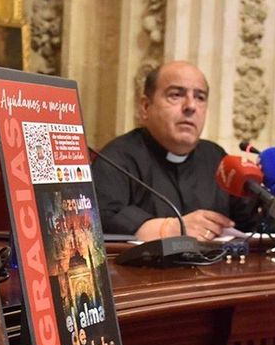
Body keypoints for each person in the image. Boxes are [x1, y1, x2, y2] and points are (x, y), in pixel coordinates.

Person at [92, 61, 256, 241]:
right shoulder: (117, 158)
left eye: (200, 97)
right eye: (176, 95)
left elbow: (250, 223)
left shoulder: (215, 157)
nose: (191, 106)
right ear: (146, 107)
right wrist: (166, 228)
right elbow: (98, 217)